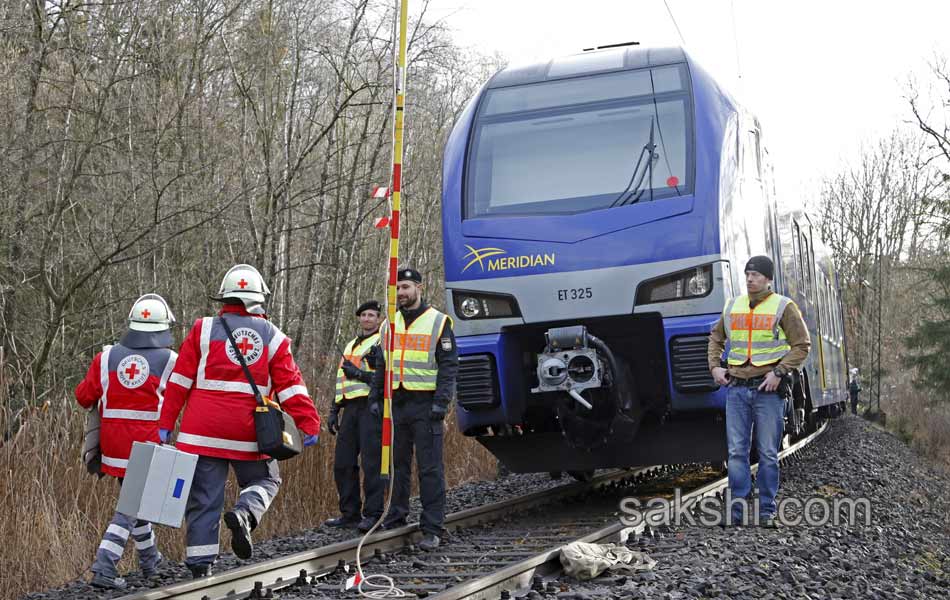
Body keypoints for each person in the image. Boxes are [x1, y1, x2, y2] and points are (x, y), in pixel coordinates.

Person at [159, 264, 320, 578]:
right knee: (267, 480)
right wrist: (308, 423)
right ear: (259, 299)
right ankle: (245, 513)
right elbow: (290, 387)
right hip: (247, 431)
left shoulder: (202, 329)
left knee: (204, 497)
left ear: (224, 298)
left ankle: (200, 567)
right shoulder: (273, 337)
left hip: (200, 432)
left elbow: (179, 381)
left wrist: (165, 423)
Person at [74, 294, 178, 589]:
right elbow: (183, 396)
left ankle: (150, 561)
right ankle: (105, 566)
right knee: (130, 508)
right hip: (148, 446)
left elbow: (83, 396)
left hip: (114, 448)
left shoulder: (106, 356)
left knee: (136, 504)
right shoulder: (170, 360)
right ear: (162, 328)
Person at [707, 255, 811, 528]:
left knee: (766, 453)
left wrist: (779, 372)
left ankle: (766, 512)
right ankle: (737, 514)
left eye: (756, 275)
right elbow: (716, 338)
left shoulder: (783, 307)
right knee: (737, 453)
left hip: (768, 392)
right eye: (748, 274)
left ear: (768, 279)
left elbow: (802, 345)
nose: (750, 279)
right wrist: (715, 368)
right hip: (737, 390)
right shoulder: (733, 306)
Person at [371, 267, 458, 551]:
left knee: (430, 468)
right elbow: (382, 365)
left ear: (419, 287)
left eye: (406, 287)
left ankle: (432, 527)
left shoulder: (438, 322)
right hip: (397, 403)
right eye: (397, 288)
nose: (401, 293)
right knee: (398, 466)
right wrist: (375, 397)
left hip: (426, 404)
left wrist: (441, 403)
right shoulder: (388, 325)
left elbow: (448, 366)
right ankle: (396, 516)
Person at [325, 300, 385, 533]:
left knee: (372, 463)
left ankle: (373, 513)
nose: (368, 319)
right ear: (359, 318)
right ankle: (349, 514)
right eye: (364, 315)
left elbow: (384, 381)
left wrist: (359, 373)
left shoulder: (382, 343)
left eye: (372, 315)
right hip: (350, 409)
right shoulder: (351, 344)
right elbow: (341, 381)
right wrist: (334, 409)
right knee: (343, 463)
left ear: (379, 319)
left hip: (372, 408)